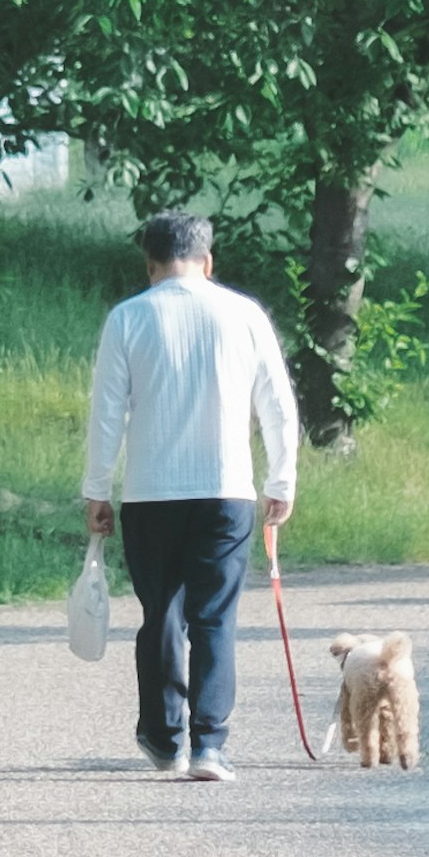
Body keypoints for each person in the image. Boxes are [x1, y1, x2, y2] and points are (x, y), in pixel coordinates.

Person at [81, 208, 301, 781]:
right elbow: (277, 404)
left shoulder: (128, 318)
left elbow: (107, 414)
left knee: (161, 615)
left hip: (151, 491)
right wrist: (282, 479)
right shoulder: (244, 314)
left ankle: (162, 738)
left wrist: (96, 490)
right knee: (213, 619)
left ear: (150, 264)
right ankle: (209, 745)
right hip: (227, 489)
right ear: (208, 261)